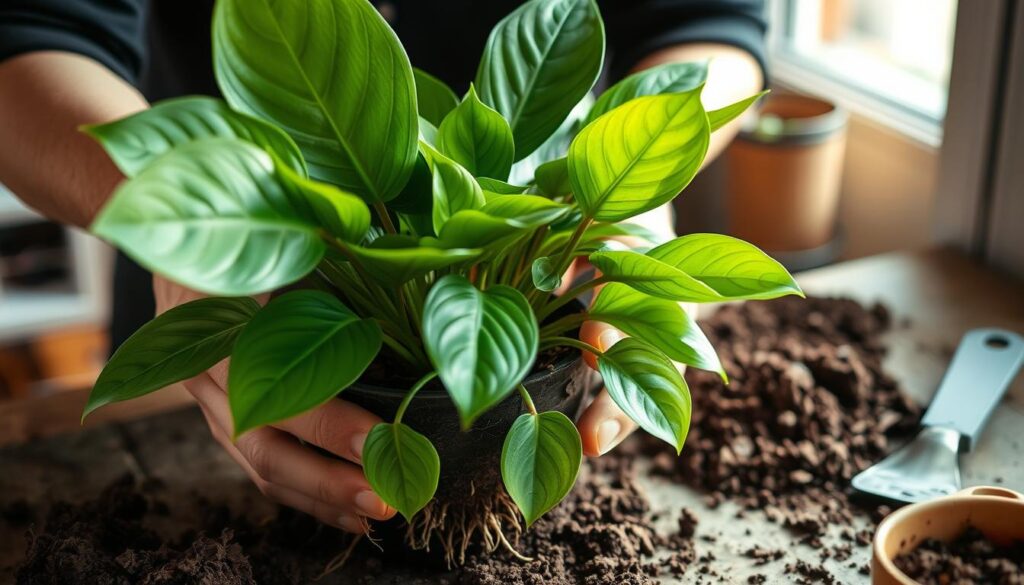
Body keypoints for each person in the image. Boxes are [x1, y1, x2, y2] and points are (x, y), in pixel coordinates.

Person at [0, 0, 765, 534]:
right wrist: (188, 222)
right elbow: (27, 37)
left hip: (539, 266)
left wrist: (623, 205)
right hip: (249, 284)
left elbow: (709, 25)